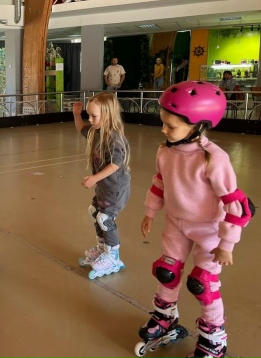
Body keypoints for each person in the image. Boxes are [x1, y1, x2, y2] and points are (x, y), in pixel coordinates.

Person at [137, 81, 254, 357]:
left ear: (198, 125)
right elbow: (160, 182)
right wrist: (150, 212)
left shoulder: (213, 159)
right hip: (175, 222)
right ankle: (165, 316)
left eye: (171, 126)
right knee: (166, 271)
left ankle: (214, 337)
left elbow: (235, 204)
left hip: (208, 230)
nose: (164, 130)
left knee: (203, 283)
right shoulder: (165, 151)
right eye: (163, 123)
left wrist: (227, 244)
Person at [72, 92, 131, 279]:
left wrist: (94, 178)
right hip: (105, 186)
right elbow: (82, 129)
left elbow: (115, 164)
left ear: (108, 115)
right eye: (88, 115)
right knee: (94, 212)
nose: (89, 119)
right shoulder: (96, 131)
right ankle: (102, 248)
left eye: (93, 116)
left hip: (116, 188)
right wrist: (76, 115)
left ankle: (112, 255)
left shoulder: (114, 138)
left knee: (105, 218)